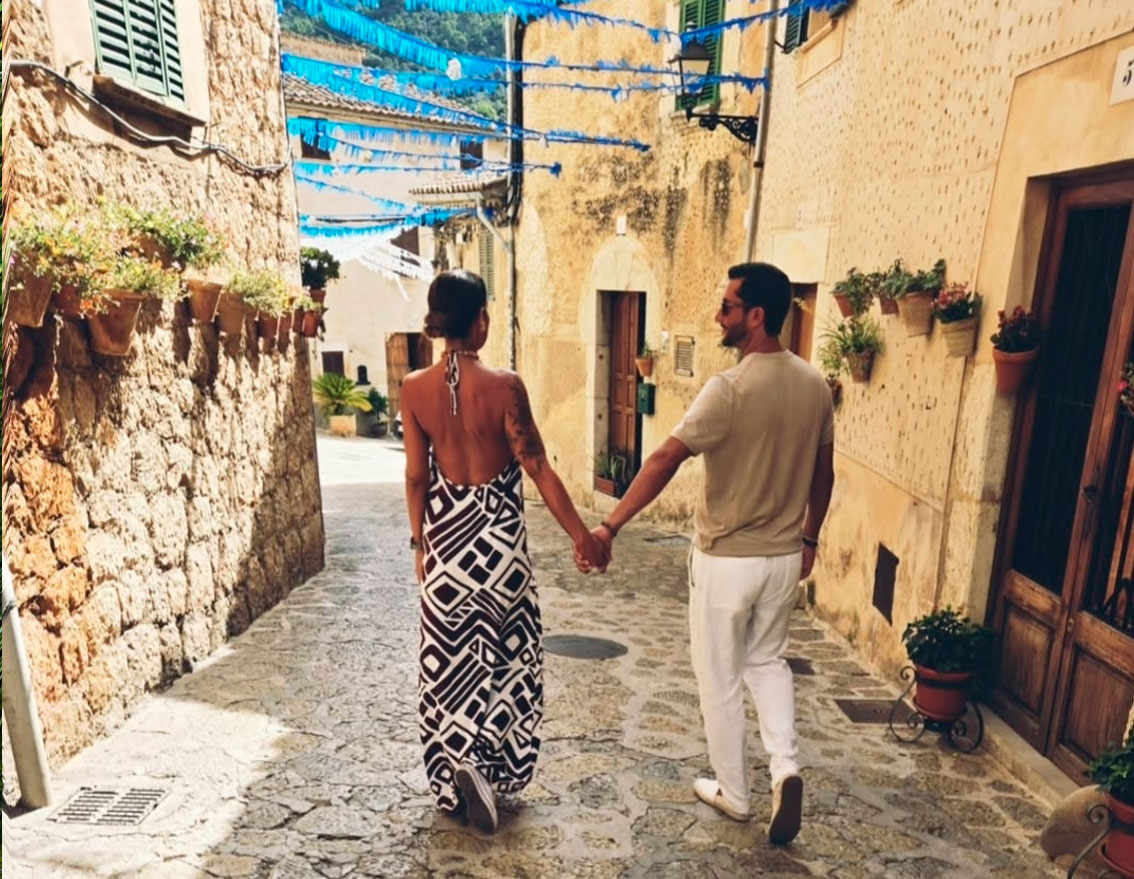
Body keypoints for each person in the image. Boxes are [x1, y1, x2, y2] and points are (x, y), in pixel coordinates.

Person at [584, 262, 835, 846]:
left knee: (719, 678)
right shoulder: (814, 385)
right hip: (783, 558)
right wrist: (810, 537)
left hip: (726, 560)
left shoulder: (729, 388)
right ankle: (785, 768)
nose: (718, 316)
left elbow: (665, 458)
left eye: (727, 307)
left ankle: (736, 794)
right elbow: (825, 475)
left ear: (757, 316)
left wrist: (611, 525)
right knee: (767, 662)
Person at [401, 269, 608, 834]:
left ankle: (458, 764)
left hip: (446, 551)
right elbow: (537, 467)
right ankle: (485, 764)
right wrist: (582, 537)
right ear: (481, 321)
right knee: (507, 660)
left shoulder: (414, 389)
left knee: (448, 665)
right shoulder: (505, 387)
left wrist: (419, 543)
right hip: (499, 555)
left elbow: (417, 476)